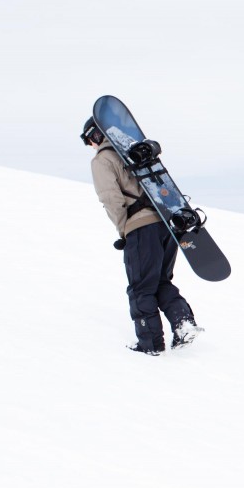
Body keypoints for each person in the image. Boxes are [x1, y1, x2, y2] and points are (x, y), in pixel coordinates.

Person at [82, 117, 200, 355]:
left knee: (140, 288)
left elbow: (111, 198)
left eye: (89, 141)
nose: (91, 147)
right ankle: (183, 323)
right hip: (168, 224)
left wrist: (124, 228)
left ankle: (150, 344)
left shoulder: (102, 160)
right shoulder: (135, 154)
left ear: (95, 135)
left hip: (140, 228)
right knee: (159, 282)